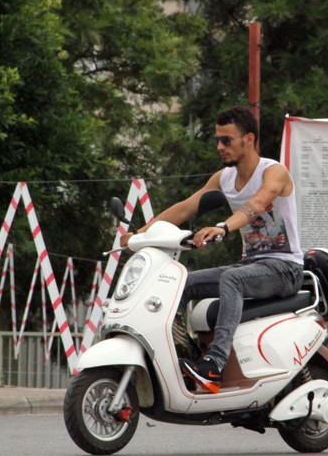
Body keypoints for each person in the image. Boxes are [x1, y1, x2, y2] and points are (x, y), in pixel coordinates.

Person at [121, 106, 304, 393]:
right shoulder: (224, 178)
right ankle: (184, 355)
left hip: (284, 268)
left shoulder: (274, 172)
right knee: (181, 282)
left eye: (226, 140)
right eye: (217, 140)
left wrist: (224, 227)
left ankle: (214, 366)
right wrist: (139, 235)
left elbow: (256, 204)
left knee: (232, 279)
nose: (220, 146)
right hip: (250, 267)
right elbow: (185, 207)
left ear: (249, 139)